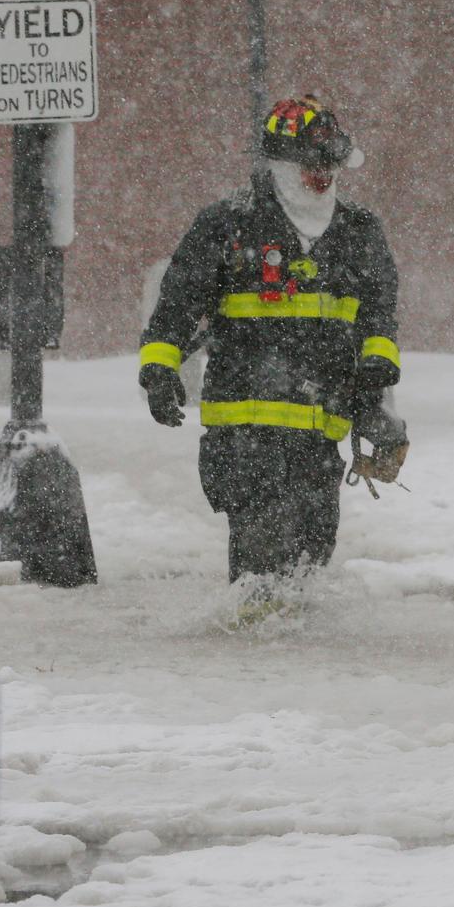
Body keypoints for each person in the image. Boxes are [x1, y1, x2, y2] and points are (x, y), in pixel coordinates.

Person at [138, 95, 403, 597]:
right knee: (258, 564)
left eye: (331, 162)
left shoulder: (358, 233)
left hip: (320, 427)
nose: (323, 173)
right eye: (311, 162)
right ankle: (253, 645)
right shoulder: (228, 225)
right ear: (279, 163)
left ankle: (293, 658)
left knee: (310, 562)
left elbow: (380, 318)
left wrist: (375, 378)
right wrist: (158, 367)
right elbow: (177, 303)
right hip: (245, 430)